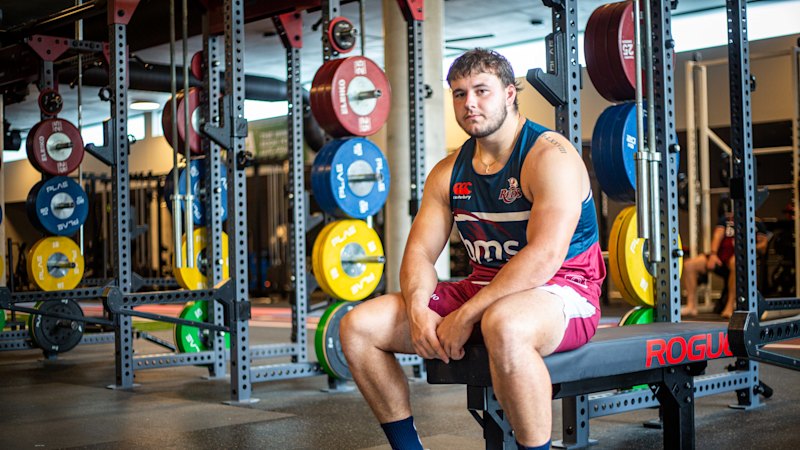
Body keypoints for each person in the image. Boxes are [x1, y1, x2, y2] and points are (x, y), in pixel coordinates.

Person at [339, 48, 606, 450]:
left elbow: (545, 257)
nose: (470, 104)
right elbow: (418, 255)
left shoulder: (550, 157)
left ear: (510, 93)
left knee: (506, 323)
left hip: (564, 289)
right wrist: (416, 311)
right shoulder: (448, 172)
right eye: (460, 94)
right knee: (358, 326)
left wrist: (466, 315)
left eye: (482, 90)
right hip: (487, 289)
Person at [681, 201, 769, 319]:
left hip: (740, 260)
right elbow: (718, 235)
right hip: (720, 258)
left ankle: (729, 306)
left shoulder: (756, 222)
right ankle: (691, 306)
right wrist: (713, 254)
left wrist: (747, 247)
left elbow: (763, 246)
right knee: (689, 265)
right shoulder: (727, 219)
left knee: (735, 262)